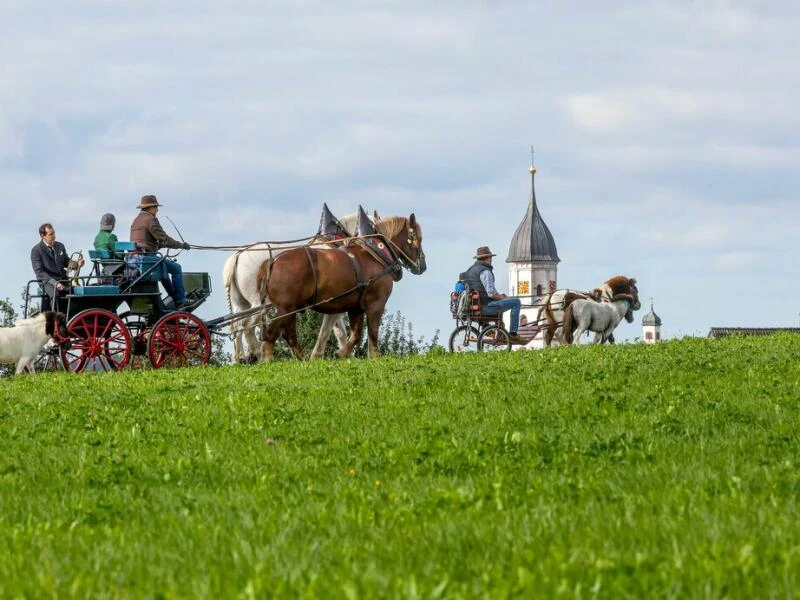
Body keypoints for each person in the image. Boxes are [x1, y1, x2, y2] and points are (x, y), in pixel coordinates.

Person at [130, 194, 191, 307]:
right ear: (150, 207)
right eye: (156, 207)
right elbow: (164, 238)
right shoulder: (151, 220)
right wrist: (181, 245)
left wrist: (159, 246)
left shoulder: (136, 220)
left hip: (134, 258)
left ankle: (173, 296)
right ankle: (180, 299)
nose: (157, 210)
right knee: (176, 268)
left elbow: (144, 241)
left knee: (163, 269)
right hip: (146, 259)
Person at [461, 246, 525, 344]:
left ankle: (496, 330)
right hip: (485, 307)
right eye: (491, 258)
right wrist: (503, 297)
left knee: (502, 302)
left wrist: (500, 297)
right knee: (516, 302)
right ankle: (513, 334)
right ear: (487, 258)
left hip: (474, 307)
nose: (491, 260)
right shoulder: (485, 271)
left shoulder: (469, 270)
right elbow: (491, 294)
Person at [30, 223, 85, 312]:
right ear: (42, 236)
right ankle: (56, 320)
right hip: (47, 281)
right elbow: (39, 272)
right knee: (55, 294)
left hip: (62, 279)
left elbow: (66, 261)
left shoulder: (60, 246)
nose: (54, 236)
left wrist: (77, 264)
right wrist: (55, 283)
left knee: (78, 291)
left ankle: (72, 317)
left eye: (54, 233)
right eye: (50, 234)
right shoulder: (36, 250)